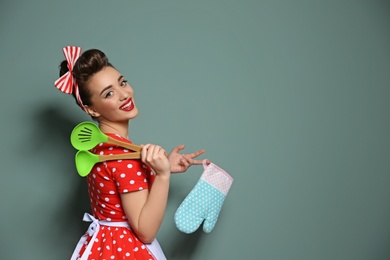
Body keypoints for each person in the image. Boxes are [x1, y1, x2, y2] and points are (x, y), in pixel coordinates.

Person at [55, 46, 207, 260]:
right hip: (124, 250)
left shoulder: (99, 148)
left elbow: (116, 190)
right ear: (92, 110)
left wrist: (160, 167)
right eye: (109, 93)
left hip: (102, 246)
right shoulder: (124, 158)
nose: (124, 94)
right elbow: (146, 232)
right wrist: (162, 176)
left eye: (122, 82)